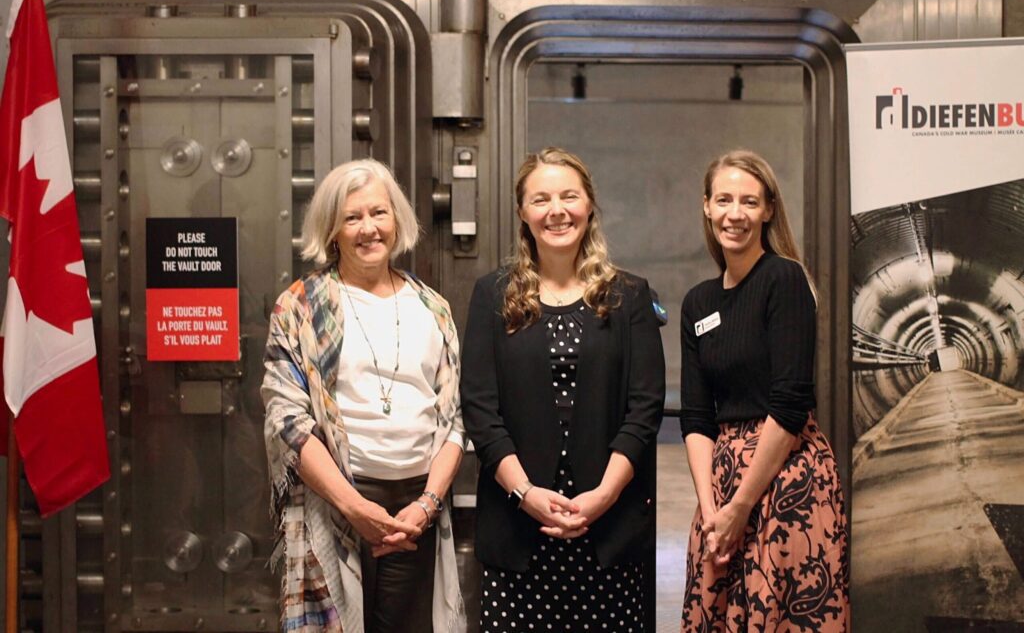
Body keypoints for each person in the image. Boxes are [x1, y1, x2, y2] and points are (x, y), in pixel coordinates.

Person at [461, 147, 665, 633]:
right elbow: (480, 410)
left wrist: (604, 496)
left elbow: (645, 409)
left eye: (569, 196)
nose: (557, 210)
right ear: (523, 214)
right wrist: (526, 493)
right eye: (541, 199)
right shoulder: (492, 295)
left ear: (589, 205)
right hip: (518, 529)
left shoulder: (628, 296)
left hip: (609, 531)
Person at [262, 159, 467, 633]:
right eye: (352, 217)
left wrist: (426, 506)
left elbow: (455, 420)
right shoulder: (300, 306)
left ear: (397, 219)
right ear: (332, 229)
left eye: (379, 213)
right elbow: (288, 423)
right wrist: (356, 509)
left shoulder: (432, 307)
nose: (368, 229)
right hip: (334, 506)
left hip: (417, 509)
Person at [679, 150, 850, 631]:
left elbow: (791, 402)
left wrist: (741, 505)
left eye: (749, 202)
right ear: (707, 206)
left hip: (787, 479)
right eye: (725, 200)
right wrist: (714, 510)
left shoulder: (784, 278)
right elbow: (695, 417)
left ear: (768, 209)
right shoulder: (698, 302)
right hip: (721, 483)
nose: (736, 214)